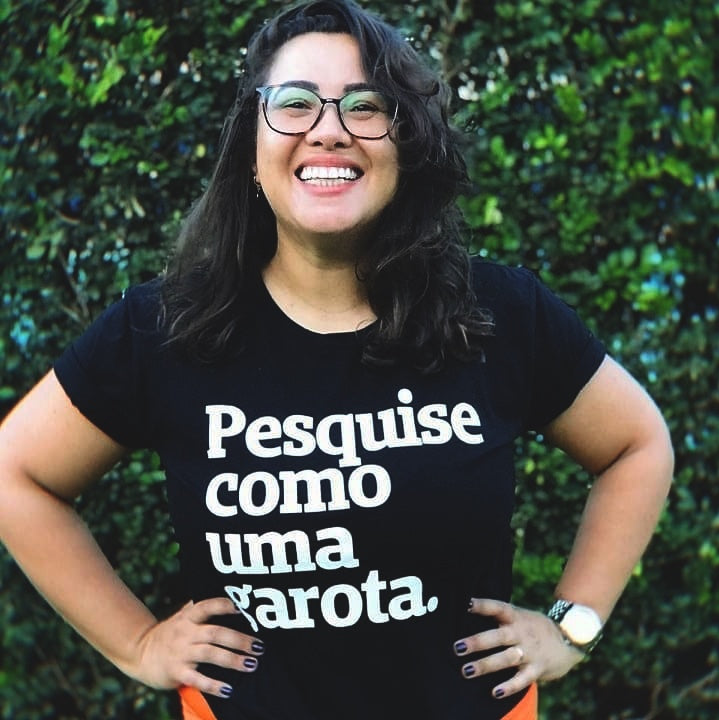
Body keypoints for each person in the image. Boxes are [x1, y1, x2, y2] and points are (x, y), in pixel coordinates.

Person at [0, 1, 674, 719]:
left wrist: (574, 625)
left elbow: (636, 445)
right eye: (293, 104)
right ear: (250, 146)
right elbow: (19, 475)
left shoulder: (499, 312)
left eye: (366, 105)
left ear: (405, 144)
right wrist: (136, 643)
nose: (329, 130)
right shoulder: (165, 328)